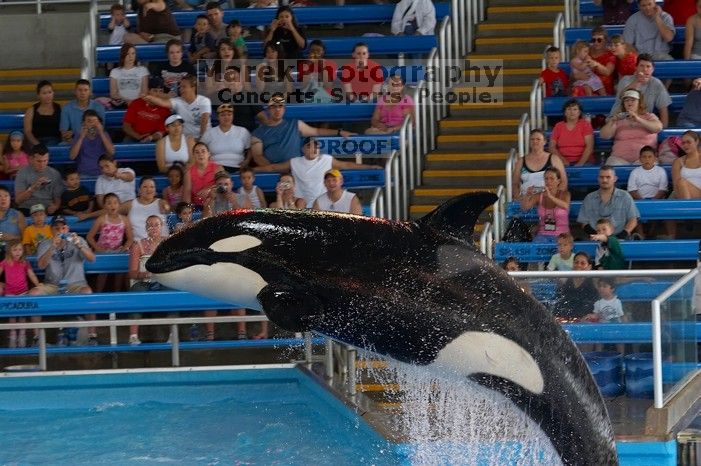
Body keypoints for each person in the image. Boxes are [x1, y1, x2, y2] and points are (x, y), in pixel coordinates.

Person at [255, 137, 382, 207]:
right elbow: (272, 168)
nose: (313, 148)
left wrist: (370, 166)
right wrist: (253, 169)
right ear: (302, 149)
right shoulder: (295, 162)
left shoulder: (326, 159)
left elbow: (346, 164)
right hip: (301, 205)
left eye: (316, 145)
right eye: (309, 146)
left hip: (323, 204)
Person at [30, 215, 97, 345]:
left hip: (76, 284)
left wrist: (79, 246)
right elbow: (41, 265)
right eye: (57, 228)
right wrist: (52, 247)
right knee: (33, 294)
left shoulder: (78, 240)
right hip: (52, 285)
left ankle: (92, 335)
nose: (60, 230)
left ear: (68, 228)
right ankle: (36, 338)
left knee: (88, 292)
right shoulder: (45, 243)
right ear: (51, 230)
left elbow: (92, 259)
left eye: (63, 227)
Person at [201, 172, 252, 340]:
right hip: (216, 249)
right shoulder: (212, 200)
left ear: (231, 184)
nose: (223, 187)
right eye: (220, 184)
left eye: (226, 184)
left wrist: (232, 200)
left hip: (238, 248)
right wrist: (212, 200)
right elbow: (205, 223)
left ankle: (242, 331)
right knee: (210, 290)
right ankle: (209, 332)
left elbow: (247, 220)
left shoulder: (241, 198)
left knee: (238, 289)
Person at [250, 93, 355, 166]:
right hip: (273, 170)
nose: (277, 109)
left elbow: (317, 131)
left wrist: (339, 132)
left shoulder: (295, 124)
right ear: (268, 109)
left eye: (280, 106)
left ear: (284, 109)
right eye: (273, 106)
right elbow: (258, 156)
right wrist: (274, 169)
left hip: (296, 168)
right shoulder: (258, 133)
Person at [128, 215, 169, 345]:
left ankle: (173, 335)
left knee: (173, 292)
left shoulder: (169, 243)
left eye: (156, 224)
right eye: (150, 225)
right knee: (137, 294)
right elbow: (132, 273)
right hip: (143, 282)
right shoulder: (137, 246)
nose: (153, 227)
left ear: (161, 226)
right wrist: (147, 274)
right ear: (146, 228)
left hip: (164, 281)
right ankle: (133, 335)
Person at [600, 89, 663, 165]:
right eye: (626, 100)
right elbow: (604, 136)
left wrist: (638, 119)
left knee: (647, 166)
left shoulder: (649, 116)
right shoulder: (618, 119)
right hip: (619, 158)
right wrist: (612, 121)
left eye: (633, 100)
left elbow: (658, 128)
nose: (629, 103)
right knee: (610, 167)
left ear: (639, 102)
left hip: (644, 159)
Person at [87, 192, 133, 293]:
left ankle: (117, 295)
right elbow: (89, 237)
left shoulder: (124, 219)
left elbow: (130, 239)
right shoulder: (101, 219)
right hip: (102, 252)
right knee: (103, 275)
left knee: (120, 274)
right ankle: (98, 296)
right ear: (104, 206)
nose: (113, 205)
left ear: (119, 204)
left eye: (115, 202)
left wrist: (124, 248)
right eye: (109, 203)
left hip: (118, 251)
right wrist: (99, 249)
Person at [577, 165, 640, 238]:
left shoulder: (625, 196)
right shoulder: (589, 198)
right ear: (598, 179)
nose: (604, 180)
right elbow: (584, 222)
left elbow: (633, 220)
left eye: (608, 177)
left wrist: (621, 236)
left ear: (615, 179)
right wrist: (598, 236)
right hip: (595, 240)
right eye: (601, 177)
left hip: (620, 240)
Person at [610, 54, 672, 127]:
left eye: (648, 66)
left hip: (643, 122)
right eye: (641, 66)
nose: (645, 69)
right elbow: (621, 96)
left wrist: (663, 131)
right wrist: (637, 82)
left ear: (652, 70)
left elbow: (663, 109)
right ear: (636, 68)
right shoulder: (625, 80)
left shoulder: (656, 83)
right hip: (620, 119)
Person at [143, 74, 212, 139]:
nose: (180, 89)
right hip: (186, 140)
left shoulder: (204, 101)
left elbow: (204, 121)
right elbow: (162, 102)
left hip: (204, 138)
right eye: (180, 87)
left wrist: (202, 139)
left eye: (184, 87)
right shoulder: (178, 101)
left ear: (193, 88)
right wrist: (148, 97)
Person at [1, 240, 41, 348]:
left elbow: (31, 274)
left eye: (20, 250)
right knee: (12, 315)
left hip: (23, 292)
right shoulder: (4, 263)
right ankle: (13, 335)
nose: (18, 252)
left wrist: (38, 285)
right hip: (10, 293)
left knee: (22, 314)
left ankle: (22, 334)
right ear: (9, 251)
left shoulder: (24, 263)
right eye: (15, 250)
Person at [511, 129, 568, 200]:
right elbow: (515, 184)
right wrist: (519, 198)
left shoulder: (554, 159)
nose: (535, 141)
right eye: (532, 139)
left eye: (538, 139)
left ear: (544, 142)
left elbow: (563, 181)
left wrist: (554, 198)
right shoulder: (521, 161)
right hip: (527, 201)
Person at [519, 167, 571, 243]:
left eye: (552, 178)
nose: (548, 181)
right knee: (536, 245)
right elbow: (524, 207)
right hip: (543, 235)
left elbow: (565, 205)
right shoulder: (539, 195)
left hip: (562, 235)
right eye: (546, 179)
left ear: (558, 181)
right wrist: (527, 195)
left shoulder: (565, 194)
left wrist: (550, 196)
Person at [200, 103, 251, 171]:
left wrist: (247, 161)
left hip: (238, 168)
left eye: (229, 115)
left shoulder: (242, 131)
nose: (226, 117)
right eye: (223, 115)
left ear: (233, 116)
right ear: (218, 117)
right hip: (215, 169)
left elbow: (250, 149)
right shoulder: (209, 133)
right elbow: (200, 148)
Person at [14, 144, 63, 216]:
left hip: (47, 208)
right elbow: (18, 200)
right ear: (31, 159)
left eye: (45, 161)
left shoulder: (55, 173)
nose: (42, 164)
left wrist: (56, 206)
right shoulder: (22, 172)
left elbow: (57, 197)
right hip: (28, 208)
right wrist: (33, 188)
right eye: (39, 161)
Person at [122, 76, 172, 143]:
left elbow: (161, 132)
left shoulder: (165, 108)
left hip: (153, 139)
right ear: (148, 90)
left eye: (161, 91)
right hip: (133, 137)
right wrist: (137, 136)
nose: (158, 94)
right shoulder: (136, 103)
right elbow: (126, 126)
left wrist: (151, 138)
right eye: (155, 90)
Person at [552, 251, 598, 321]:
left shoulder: (594, 284)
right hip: (565, 320)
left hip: (584, 322)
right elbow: (558, 304)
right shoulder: (565, 283)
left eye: (582, 263)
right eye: (576, 262)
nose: (578, 265)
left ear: (589, 267)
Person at [122, 176, 170, 240]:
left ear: (155, 190)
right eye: (145, 187)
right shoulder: (130, 204)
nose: (149, 190)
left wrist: (166, 207)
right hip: (138, 246)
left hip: (161, 244)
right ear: (139, 189)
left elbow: (167, 208)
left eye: (152, 187)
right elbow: (111, 210)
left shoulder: (161, 202)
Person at [549, 99, 595, 166]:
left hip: (585, 162)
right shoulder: (558, 126)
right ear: (564, 112)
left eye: (575, 109)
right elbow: (551, 147)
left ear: (579, 112)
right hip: (561, 161)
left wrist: (580, 164)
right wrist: (562, 160)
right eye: (569, 109)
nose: (572, 112)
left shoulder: (585, 125)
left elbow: (589, 147)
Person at [69, 110, 115, 176]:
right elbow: (72, 157)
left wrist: (101, 133)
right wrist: (81, 137)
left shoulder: (104, 134)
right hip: (84, 172)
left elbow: (112, 152)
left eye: (95, 121)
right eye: (89, 121)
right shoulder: (78, 135)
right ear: (83, 123)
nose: (92, 124)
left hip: (103, 172)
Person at [59, 79, 106, 145]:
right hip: (74, 141)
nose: (83, 93)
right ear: (75, 91)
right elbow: (64, 131)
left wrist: (79, 134)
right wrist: (67, 135)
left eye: (86, 90)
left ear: (90, 92)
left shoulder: (99, 107)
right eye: (80, 90)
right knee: (63, 144)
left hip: (93, 139)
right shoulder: (67, 108)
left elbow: (100, 129)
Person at [183, 142, 222, 208]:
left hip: (215, 204)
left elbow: (224, 186)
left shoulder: (218, 169)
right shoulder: (188, 173)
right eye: (197, 152)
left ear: (208, 154)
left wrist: (209, 189)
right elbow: (187, 194)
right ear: (193, 155)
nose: (200, 154)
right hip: (196, 206)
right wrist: (188, 210)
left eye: (203, 151)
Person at [23, 80, 62, 146]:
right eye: (44, 93)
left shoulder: (60, 108)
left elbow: (64, 128)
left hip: (54, 141)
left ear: (53, 93)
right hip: (36, 141)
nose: (48, 96)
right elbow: (28, 131)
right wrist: (37, 144)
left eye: (50, 92)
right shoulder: (31, 110)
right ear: (38, 95)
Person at [671, 130, 701, 200]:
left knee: (682, 182)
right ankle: (687, 207)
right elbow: (676, 187)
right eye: (683, 143)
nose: (685, 145)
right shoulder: (677, 162)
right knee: (681, 182)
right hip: (683, 195)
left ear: (696, 142)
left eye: (688, 142)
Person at [587, 26, 616, 96]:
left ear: (605, 40)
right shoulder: (586, 51)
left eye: (599, 40)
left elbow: (607, 72)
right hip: (587, 88)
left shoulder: (610, 54)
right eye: (594, 40)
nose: (596, 42)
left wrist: (596, 64)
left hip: (605, 91)